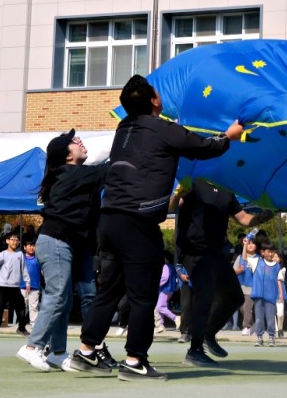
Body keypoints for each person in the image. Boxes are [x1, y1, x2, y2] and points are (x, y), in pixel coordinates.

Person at [71, 74, 243, 382]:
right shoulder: (162, 127)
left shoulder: (124, 129)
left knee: (109, 291)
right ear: (153, 101)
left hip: (108, 219)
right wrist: (228, 135)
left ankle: (86, 350)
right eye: (157, 92)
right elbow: (204, 146)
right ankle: (135, 361)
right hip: (137, 222)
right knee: (142, 295)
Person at [17, 129, 108, 372]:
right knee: (58, 295)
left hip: (62, 242)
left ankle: (58, 353)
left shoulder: (70, 174)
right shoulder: (72, 174)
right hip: (56, 241)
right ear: (67, 155)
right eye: (73, 141)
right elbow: (108, 169)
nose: (79, 141)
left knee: (64, 300)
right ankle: (32, 347)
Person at [172, 177, 271, 368]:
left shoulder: (226, 187)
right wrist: (178, 193)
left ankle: (208, 333)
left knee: (235, 297)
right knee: (205, 295)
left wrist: (261, 217)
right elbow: (172, 207)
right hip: (195, 251)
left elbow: (242, 218)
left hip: (217, 252)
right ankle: (195, 350)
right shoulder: (193, 182)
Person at [252, 241, 284, 346]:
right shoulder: (256, 261)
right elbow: (244, 258)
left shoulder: (277, 266)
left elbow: (279, 281)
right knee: (258, 318)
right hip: (258, 295)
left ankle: (271, 337)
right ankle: (259, 338)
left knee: (270, 319)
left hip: (270, 296)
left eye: (272, 252)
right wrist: (245, 245)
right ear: (262, 252)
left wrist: (280, 293)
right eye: (268, 251)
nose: (270, 254)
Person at [236, 233, 260, 335]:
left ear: (256, 246)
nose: (250, 245)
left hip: (252, 287)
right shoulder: (240, 257)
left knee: (247, 307)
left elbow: (246, 260)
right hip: (240, 286)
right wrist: (239, 270)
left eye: (252, 244)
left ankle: (246, 326)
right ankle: (253, 325)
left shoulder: (258, 258)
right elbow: (234, 271)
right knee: (242, 307)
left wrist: (245, 245)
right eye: (248, 243)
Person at [22, 237, 42, 330]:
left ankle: (34, 326)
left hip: (35, 286)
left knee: (33, 307)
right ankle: (21, 325)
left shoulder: (38, 259)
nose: (31, 248)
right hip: (22, 286)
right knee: (22, 306)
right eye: (30, 246)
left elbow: (43, 271)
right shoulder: (21, 258)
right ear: (25, 247)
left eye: (33, 246)